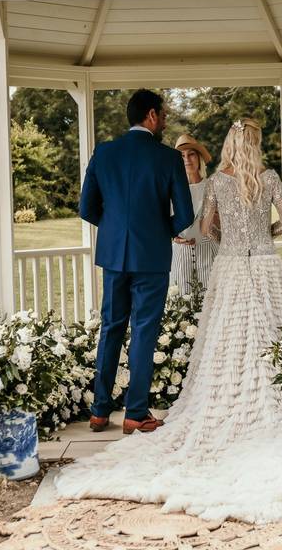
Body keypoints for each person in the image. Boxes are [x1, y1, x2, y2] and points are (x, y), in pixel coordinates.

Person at [55, 118, 282, 526]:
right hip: (265, 265)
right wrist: (263, 236)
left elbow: (204, 227)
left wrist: (229, 242)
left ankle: (103, 408)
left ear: (230, 144)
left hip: (230, 265)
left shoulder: (216, 181)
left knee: (222, 340)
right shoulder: (269, 177)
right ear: (255, 143)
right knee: (271, 334)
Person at [79, 89, 194, 435]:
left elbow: (87, 207)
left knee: (111, 327)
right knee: (143, 330)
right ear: (152, 115)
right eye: (163, 114)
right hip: (151, 258)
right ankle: (135, 413)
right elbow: (185, 214)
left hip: (114, 256)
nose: (165, 121)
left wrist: (115, 229)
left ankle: (99, 413)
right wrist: (162, 231)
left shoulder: (104, 152)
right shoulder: (167, 158)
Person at [169, 133, 219, 294]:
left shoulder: (212, 187)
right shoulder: (170, 190)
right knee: (181, 304)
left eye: (191, 154)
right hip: (180, 252)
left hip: (208, 250)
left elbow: (223, 222)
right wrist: (172, 235)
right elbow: (163, 221)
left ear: (199, 159)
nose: (187, 159)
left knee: (210, 301)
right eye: (182, 156)